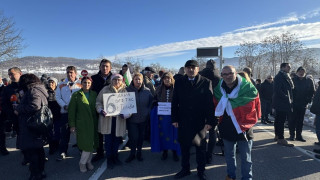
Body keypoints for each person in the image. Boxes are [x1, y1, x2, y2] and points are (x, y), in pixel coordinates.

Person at [171, 60, 216, 180]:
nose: (191, 70)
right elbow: (175, 101)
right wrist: (174, 118)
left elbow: (210, 104)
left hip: (200, 122)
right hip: (183, 120)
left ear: (198, 69)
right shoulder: (179, 82)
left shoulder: (206, 82)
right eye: (188, 67)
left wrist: (210, 121)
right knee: (184, 147)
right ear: (185, 69)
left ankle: (201, 171)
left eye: (193, 67)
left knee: (200, 148)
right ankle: (185, 169)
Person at [214, 65, 260, 180]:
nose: (228, 76)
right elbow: (214, 106)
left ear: (236, 73)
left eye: (230, 73)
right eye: (225, 74)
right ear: (222, 76)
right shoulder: (218, 90)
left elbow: (255, 107)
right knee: (229, 156)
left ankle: (247, 178)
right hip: (226, 127)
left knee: (246, 158)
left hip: (244, 128)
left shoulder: (248, 88)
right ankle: (231, 176)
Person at [14, 74, 49, 180]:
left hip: (31, 124)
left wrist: (19, 108)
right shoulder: (39, 88)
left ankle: (36, 174)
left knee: (32, 150)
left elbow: (35, 105)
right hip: (37, 124)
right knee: (38, 149)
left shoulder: (33, 90)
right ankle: (40, 172)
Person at [96, 74, 129, 169]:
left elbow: (129, 106)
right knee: (108, 141)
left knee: (116, 141)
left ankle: (115, 157)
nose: (117, 82)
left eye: (119, 80)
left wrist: (126, 114)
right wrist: (100, 110)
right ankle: (109, 159)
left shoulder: (124, 91)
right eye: (115, 79)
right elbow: (98, 102)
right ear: (111, 80)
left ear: (122, 81)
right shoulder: (105, 89)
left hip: (119, 120)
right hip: (108, 119)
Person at [68, 76, 98, 172]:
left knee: (92, 144)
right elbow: (71, 111)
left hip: (93, 122)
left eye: (89, 83)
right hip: (82, 124)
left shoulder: (94, 94)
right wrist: (72, 125)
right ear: (82, 83)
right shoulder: (76, 95)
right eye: (85, 82)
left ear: (91, 84)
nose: (87, 84)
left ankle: (88, 162)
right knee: (86, 145)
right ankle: (82, 163)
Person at [151, 72, 180, 162]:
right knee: (164, 133)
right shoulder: (158, 89)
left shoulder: (177, 89)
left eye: (169, 78)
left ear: (172, 79)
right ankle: (165, 151)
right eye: (165, 78)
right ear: (163, 80)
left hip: (174, 116)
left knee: (175, 134)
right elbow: (154, 99)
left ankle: (175, 152)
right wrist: (155, 102)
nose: (167, 80)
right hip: (162, 117)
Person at [55, 66, 81, 161]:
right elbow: (57, 97)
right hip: (65, 112)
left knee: (79, 132)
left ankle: (81, 149)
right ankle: (63, 151)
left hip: (78, 113)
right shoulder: (61, 84)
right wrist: (64, 105)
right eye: (68, 72)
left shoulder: (81, 83)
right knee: (64, 133)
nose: (69, 74)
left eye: (71, 72)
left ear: (75, 73)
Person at [125, 73, 153, 163]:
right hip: (132, 119)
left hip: (143, 119)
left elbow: (151, 103)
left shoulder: (147, 91)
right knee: (133, 137)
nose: (138, 81)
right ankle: (132, 153)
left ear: (142, 80)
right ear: (133, 80)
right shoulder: (127, 90)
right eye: (136, 79)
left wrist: (148, 112)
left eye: (139, 79)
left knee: (141, 137)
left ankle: (139, 152)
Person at [199, 59, 221, 164]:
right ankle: (209, 155)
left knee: (202, 130)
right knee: (213, 131)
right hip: (215, 105)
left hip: (202, 105)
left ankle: (202, 153)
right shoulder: (219, 76)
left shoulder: (201, 74)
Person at [91, 59, 113, 162]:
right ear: (99, 67)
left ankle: (112, 152)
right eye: (103, 66)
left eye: (107, 66)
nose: (105, 68)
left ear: (110, 68)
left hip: (112, 110)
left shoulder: (115, 78)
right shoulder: (93, 78)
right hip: (98, 108)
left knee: (111, 132)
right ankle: (99, 152)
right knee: (98, 132)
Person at [289, 67, 315, 141]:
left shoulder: (309, 81)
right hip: (294, 103)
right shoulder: (293, 80)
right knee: (292, 120)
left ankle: (299, 135)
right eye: (300, 71)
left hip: (303, 103)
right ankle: (292, 135)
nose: (301, 73)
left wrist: (308, 100)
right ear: (297, 72)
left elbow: (312, 91)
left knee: (300, 121)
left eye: (303, 71)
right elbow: (289, 91)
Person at [1, 67, 22, 155]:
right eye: (9, 74)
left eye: (12, 74)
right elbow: (4, 103)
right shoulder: (7, 88)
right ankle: (24, 152)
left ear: (20, 73)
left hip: (27, 114)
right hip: (14, 115)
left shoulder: (26, 86)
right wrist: (10, 113)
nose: (11, 76)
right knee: (20, 134)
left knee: (29, 135)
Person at [273, 63, 294, 147]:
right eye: (288, 66)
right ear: (282, 67)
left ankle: (278, 136)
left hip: (282, 101)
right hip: (281, 102)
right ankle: (281, 138)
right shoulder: (279, 77)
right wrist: (286, 97)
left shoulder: (286, 76)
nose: (289, 68)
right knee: (281, 120)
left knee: (279, 120)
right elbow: (278, 90)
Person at [46, 77, 61, 155]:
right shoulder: (46, 92)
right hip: (48, 115)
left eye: (52, 82)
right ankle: (51, 147)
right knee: (50, 132)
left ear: (56, 83)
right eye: (49, 82)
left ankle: (57, 144)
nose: (51, 84)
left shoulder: (59, 91)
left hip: (58, 114)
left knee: (57, 131)